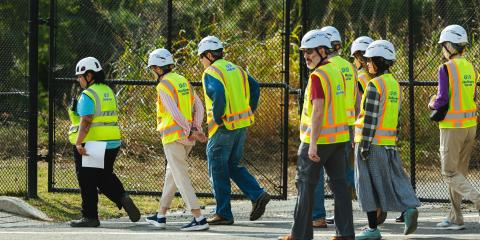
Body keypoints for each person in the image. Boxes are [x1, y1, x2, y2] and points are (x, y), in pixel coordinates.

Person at [279, 30, 354, 240]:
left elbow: (318, 110)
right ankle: (345, 234)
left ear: (322, 50)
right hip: (339, 139)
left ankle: (300, 235)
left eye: (309, 52)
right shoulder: (336, 71)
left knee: (304, 184)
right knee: (340, 187)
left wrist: (312, 144)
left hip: (319, 141)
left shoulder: (318, 76)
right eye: (303, 53)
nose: (306, 57)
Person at [197, 36, 270, 225]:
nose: (201, 62)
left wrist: (219, 117)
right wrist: (249, 110)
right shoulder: (236, 69)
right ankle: (257, 194)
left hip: (223, 128)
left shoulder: (211, 72)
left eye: (201, 57)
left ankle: (223, 214)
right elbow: (255, 88)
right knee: (231, 166)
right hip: (240, 126)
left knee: (218, 170)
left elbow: (218, 95)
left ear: (209, 55)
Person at [354, 40, 420, 240]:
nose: (367, 64)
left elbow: (370, 119)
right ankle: (408, 207)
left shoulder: (374, 85)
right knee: (393, 179)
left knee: (365, 186)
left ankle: (372, 229)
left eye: (370, 60)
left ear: (379, 61)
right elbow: (396, 117)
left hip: (370, 143)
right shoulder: (395, 85)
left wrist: (364, 146)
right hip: (388, 143)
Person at [68, 57, 140, 227]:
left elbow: (85, 122)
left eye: (80, 76)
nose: (79, 80)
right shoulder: (108, 91)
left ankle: (90, 216)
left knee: (87, 180)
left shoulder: (88, 95)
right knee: (103, 176)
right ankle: (122, 196)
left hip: (94, 143)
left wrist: (78, 143)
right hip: (113, 141)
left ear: (90, 75)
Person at [144, 48, 209, 231]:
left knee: (180, 177)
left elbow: (174, 112)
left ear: (157, 68)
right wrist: (195, 127)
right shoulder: (183, 81)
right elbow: (199, 106)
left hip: (173, 137)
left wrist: (189, 130)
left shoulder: (163, 85)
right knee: (172, 175)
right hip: (186, 138)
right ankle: (161, 215)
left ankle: (198, 218)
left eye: (153, 68)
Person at [429, 24, 480, 230]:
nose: (442, 50)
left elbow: (441, 100)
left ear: (450, 46)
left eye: (443, 46)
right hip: (470, 126)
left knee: (449, 173)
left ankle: (477, 200)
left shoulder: (446, 68)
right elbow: (474, 97)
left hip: (452, 127)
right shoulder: (472, 67)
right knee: (459, 173)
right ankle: (455, 217)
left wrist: (431, 102)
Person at [312, 26, 357, 227]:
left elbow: (319, 105)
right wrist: (356, 125)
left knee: (317, 172)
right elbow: (357, 100)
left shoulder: (325, 68)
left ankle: (317, 215)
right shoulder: (350, 67)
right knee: (342, 172)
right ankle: (368, 201)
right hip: (346, 125)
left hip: (326, 126)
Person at [351, 36, 388, 225]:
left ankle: (373, 215)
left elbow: (360, 106)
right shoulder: (379, 79)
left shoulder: (362, 78)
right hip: (382, 132)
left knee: (361, 176)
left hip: (364, 131)